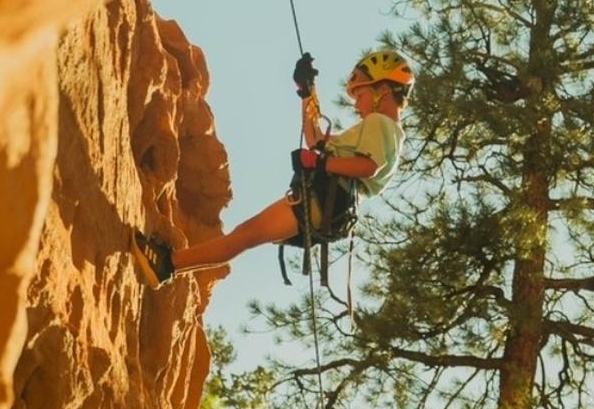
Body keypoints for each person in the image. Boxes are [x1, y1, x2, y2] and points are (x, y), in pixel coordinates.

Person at [131, 49, 413, 289]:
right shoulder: (386, 132)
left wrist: (321, 163)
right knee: (245, 235)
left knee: (244, 236)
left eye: (360, 96)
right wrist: (307, 93)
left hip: (323, 202)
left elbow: (367, 167)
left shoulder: (380, 124)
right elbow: (315, 138)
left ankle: (166, 264)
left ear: (383, 91)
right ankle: (169, 264)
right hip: (329, 210)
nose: (357, 107)